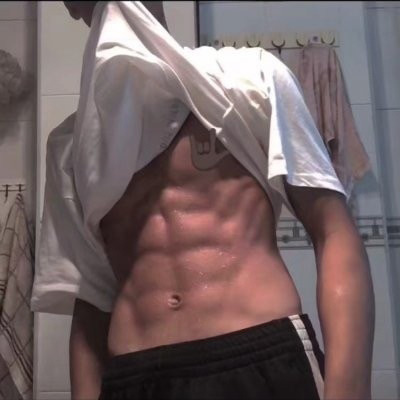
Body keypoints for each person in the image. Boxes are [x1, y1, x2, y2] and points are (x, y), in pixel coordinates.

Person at [59, 2, 375, 399]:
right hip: (135, 377)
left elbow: (333, 231)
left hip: (260, 359)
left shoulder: (250, 78)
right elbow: (91, 300)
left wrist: (349, 391)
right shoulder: (71, 148)